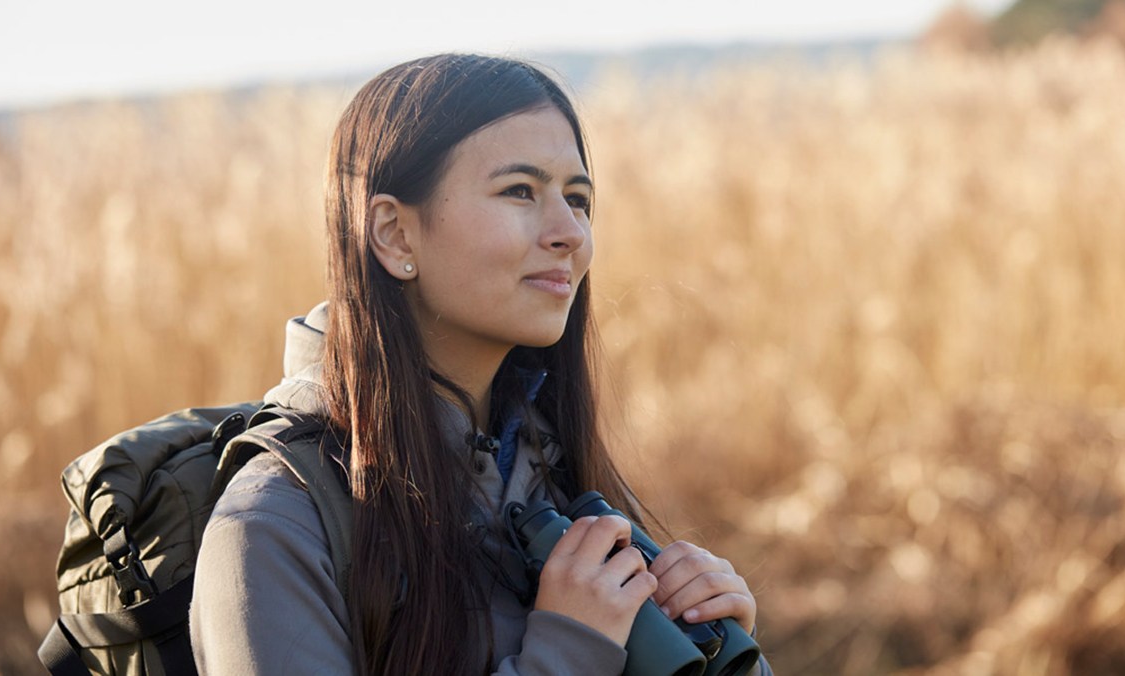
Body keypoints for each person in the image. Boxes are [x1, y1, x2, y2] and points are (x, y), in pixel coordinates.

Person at [190, 53, 770, 675]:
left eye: (578, 199)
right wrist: (569, 652)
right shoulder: (275, 524)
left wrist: (719, 646)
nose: (569, 232)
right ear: (394, 235)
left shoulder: (550, 467)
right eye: (519, 191)